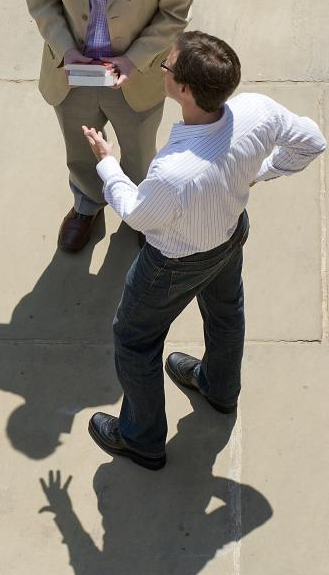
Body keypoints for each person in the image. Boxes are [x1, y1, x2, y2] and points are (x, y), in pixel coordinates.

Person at [82, 31, 326, 470]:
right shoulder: (258, 110)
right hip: (229, 237)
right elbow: (312, 141)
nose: (162, 69)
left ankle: (142, 439)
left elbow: (138, 214)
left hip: (172, 264)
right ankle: (218, 388)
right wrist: (259, 172)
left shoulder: (176, 171)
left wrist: (107, 162)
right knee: (226, 314)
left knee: (135, 340)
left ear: (186, 89)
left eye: (167, 66)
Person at [22, 0, 193, 251]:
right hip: (71, 74)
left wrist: (135, 59)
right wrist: (66, 50)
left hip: (135, 77)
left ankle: (142, 210)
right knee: (80, 149)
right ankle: (87, 203)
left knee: (140, 153)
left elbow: (175, 12)